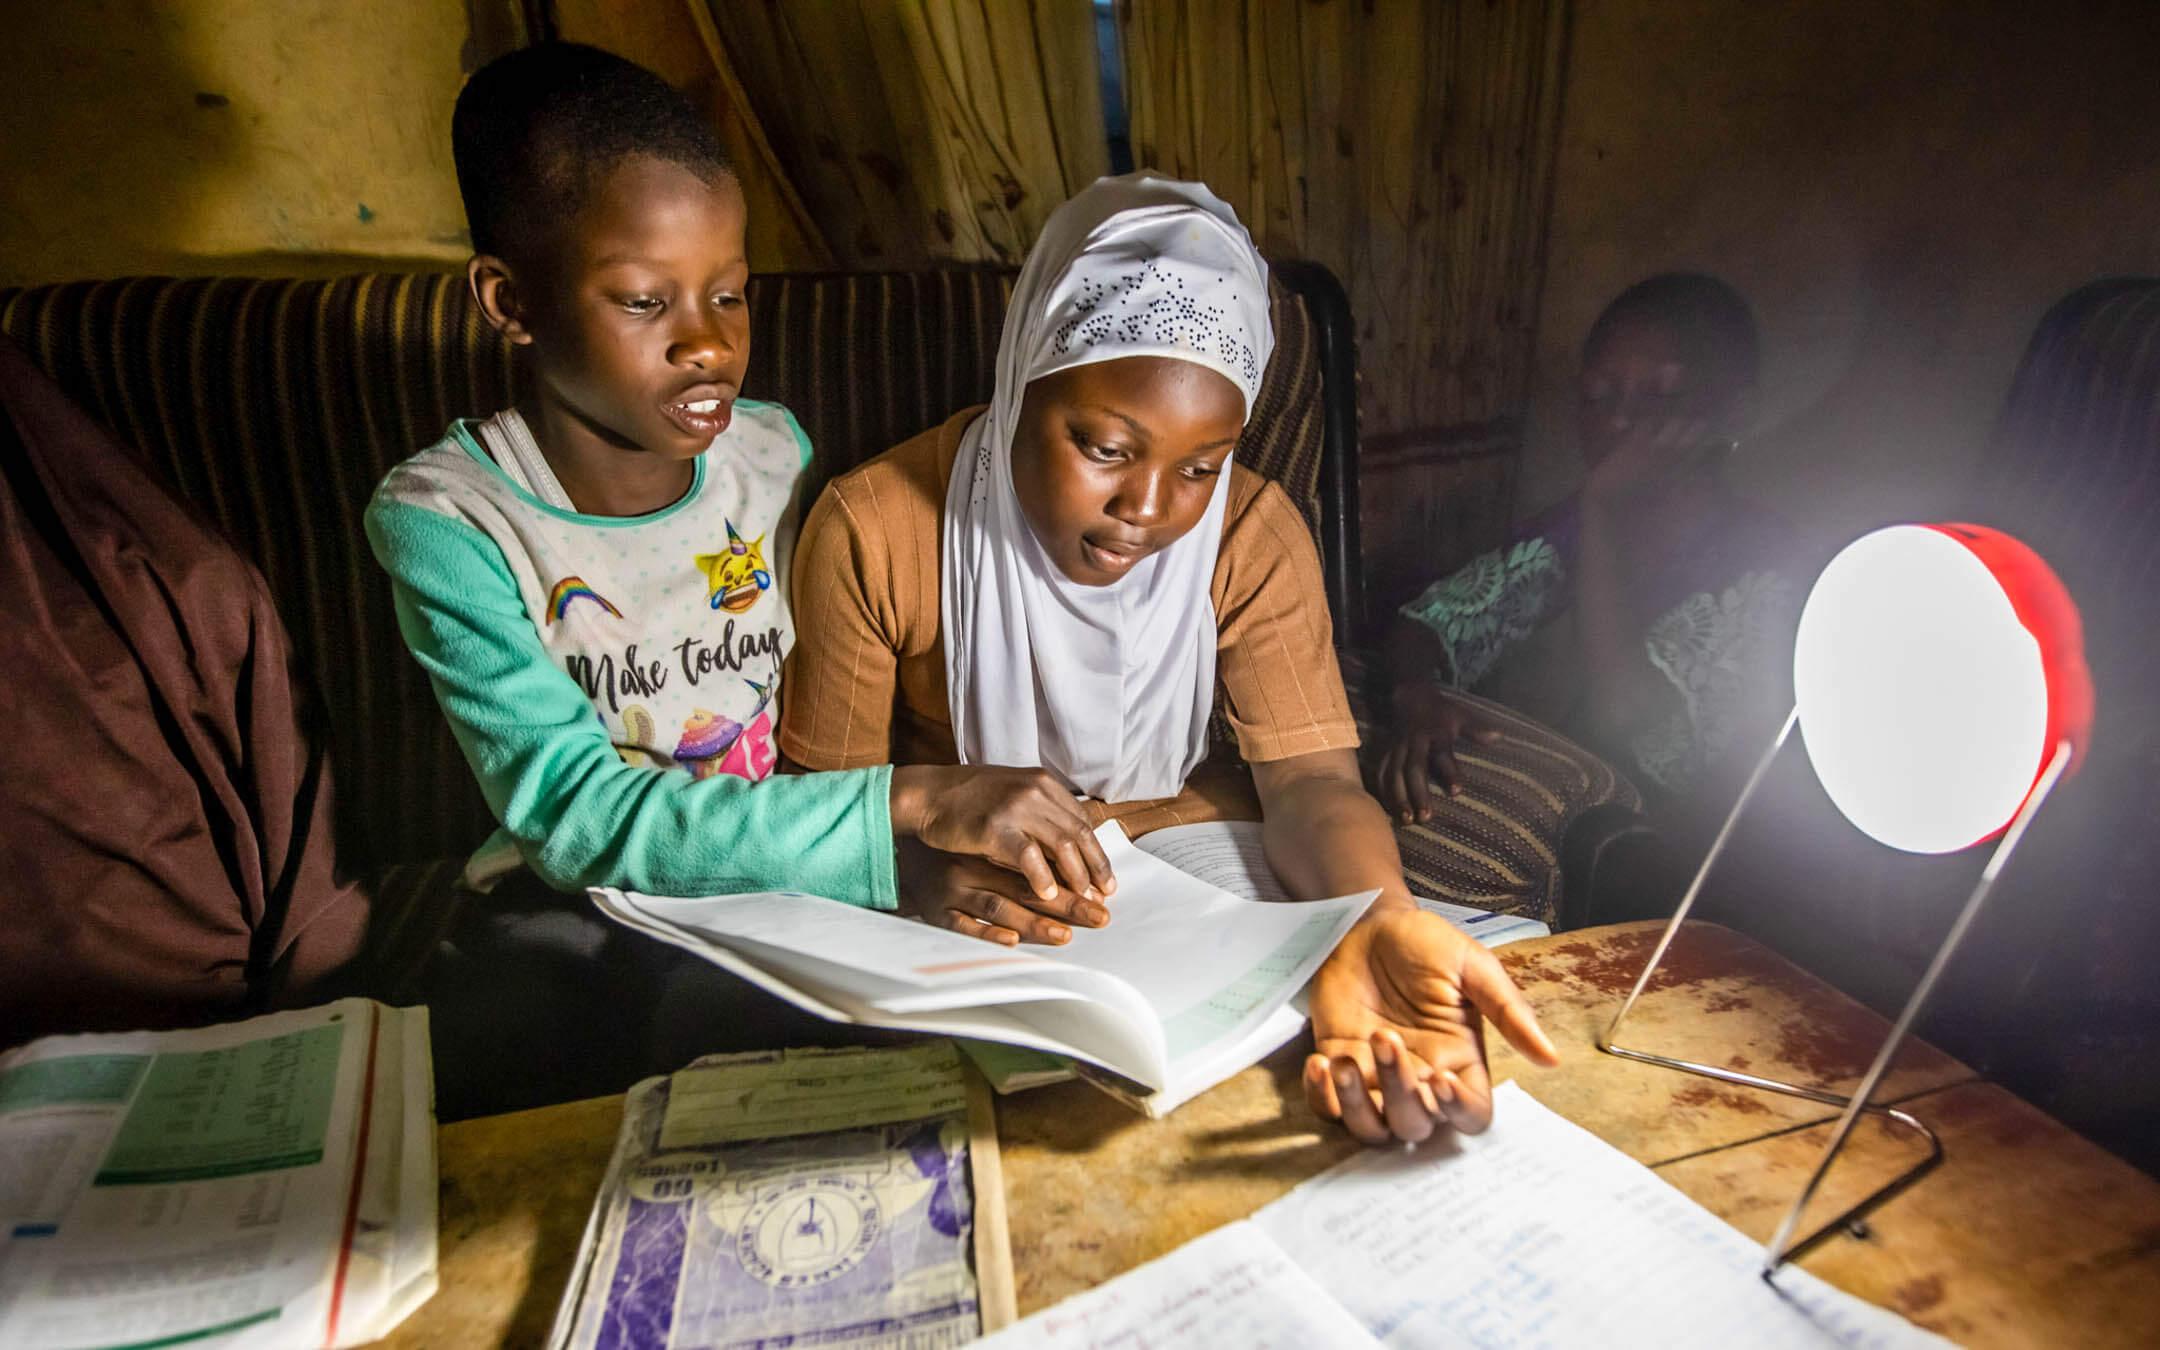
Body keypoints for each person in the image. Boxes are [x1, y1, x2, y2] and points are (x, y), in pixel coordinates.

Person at [364, 43, 1110, 1112]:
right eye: (642, 302)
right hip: (561, 904)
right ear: (510, 299)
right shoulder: (448, 520)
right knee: (492, 1050)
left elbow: (851, 688)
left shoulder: (774, 458)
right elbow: (578, 818)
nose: (707, 344)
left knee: (808, 1048)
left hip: (780, 887)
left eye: (729, 293)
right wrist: (917, 807)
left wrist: (904, 863)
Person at [782, 173, 1559, 1145]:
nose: (1148, 512)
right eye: (1103, 447)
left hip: (1181, 870)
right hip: (986, 914)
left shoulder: (1252, 532)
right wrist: (909, 871)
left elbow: (1314, 785)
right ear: (1024, 379)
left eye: (1201, 466)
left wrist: (1376, 918)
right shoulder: (876, 527)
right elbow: (820, 810)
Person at [1375, 274, 1800, 828]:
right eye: (1600, 395)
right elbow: (1433, 623)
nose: (1620, 419)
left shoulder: (1767, 562)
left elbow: (1620, 716)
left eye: (1661, 396)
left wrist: (1601, 508)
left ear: (1736, 413)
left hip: (1701, 856)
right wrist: (1416, 696)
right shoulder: (1572, 528)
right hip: (1588, 821)